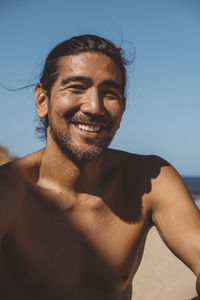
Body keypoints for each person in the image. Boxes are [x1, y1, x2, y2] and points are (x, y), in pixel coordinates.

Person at [0, 34, 200, 300]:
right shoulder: (11, 191)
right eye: (76, 87)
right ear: (42, 101)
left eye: (110, 93)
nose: (94, 107)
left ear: (123, 109)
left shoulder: (149, 181)